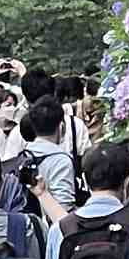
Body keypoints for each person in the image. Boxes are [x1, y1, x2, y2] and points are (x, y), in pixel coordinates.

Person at [18, 92, 79, 223]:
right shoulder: (61, 160)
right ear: (61, 126)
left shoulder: (22, 156)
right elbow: (64, 206)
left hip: (26, 230)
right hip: (50, 232)